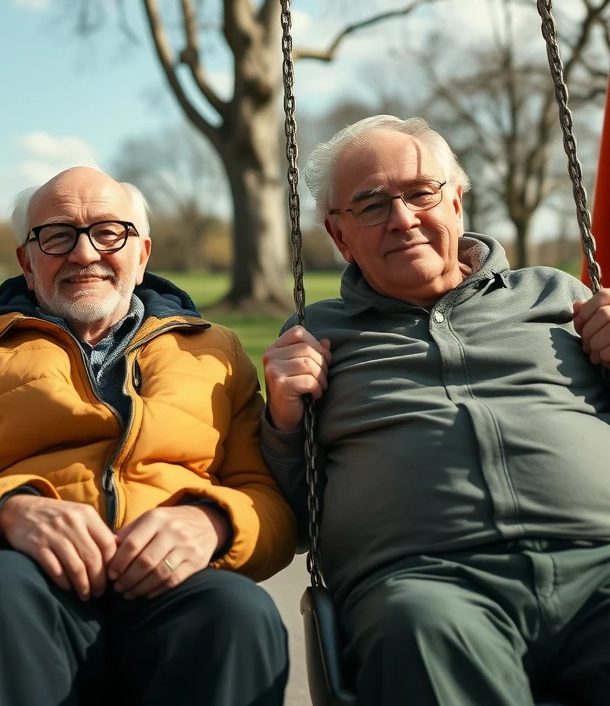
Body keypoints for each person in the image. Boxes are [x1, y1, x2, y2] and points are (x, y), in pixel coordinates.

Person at [0, 166, 295, 706]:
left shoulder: (216, 353)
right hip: (32, 594)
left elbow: (270, 505)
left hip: (176, 592)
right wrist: (9, 511)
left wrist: (214, 522)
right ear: (26, 262)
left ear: (142, 252)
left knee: (239, 611)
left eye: (109, 232)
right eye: (57, 236)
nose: (84, 254)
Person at [261, 114, 610, 706]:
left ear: (456, 203)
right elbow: (297, 514)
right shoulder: (316, 337)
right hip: (430, 583)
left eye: (420, 193)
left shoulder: (556, 297)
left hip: (599, 564)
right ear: (340, 237)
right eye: (370, 206)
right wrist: (284, 424)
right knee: (419, 631)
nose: (402, 219)